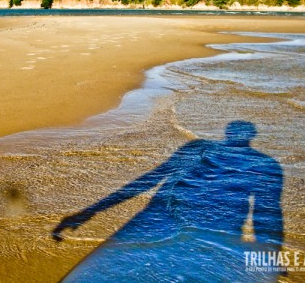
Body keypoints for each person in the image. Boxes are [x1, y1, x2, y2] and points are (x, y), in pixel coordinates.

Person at [53, 121, 284, 282]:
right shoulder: (267, 164)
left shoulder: (199, 147)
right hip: (216, 236)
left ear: (228, 133)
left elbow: (150, 179)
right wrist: (270, 254)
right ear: (251, 137)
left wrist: (90, 212)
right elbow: (268, 214)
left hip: (158, 223)